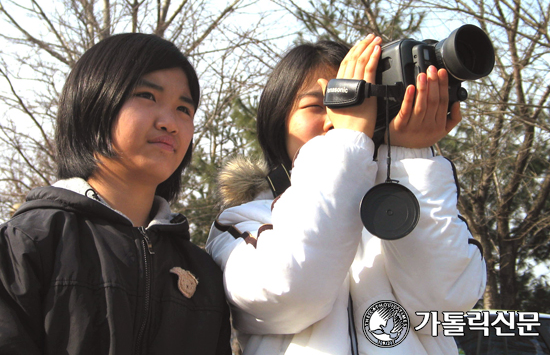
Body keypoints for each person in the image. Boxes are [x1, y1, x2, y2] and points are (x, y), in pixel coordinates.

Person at [206, 35, 486, 354]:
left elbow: (445, 305)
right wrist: (347, 139)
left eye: (354, 101)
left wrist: (411, 158)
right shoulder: (243, 222)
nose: (335, 119)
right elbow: (291, 291)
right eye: (317, 105)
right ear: (277, 125)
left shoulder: (412, 203)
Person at [0, 33, 231, 354]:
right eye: (148, 96)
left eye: (183, 108)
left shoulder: (202, 272)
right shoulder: (25, 245)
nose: (171, 123)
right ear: (93, 103)